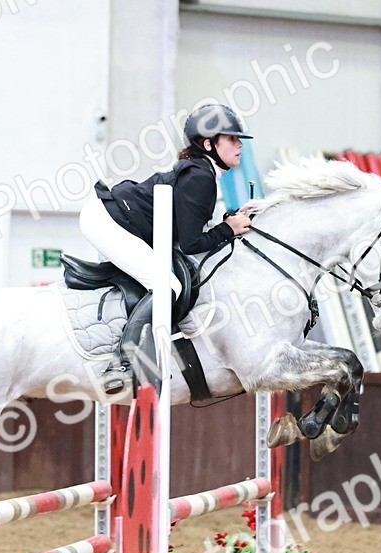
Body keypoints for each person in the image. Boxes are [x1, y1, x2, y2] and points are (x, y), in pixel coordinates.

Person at [79, 103, 254, 394]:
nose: (239, 146)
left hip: (113, 217)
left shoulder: (203, 172)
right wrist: (228, 229)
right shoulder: (201, 177)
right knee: (167, 286)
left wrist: (228, 222)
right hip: (106, 221)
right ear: (209, 144)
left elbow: (190, 231)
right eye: (232, 139)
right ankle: (122, 364)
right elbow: (191, 244)